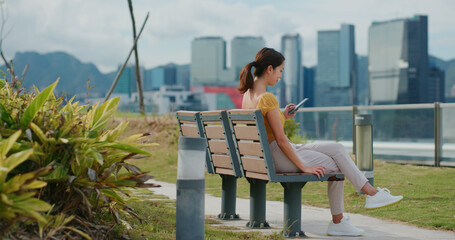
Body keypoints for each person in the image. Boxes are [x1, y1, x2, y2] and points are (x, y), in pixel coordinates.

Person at [238, 47, 403, 237]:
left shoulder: (248, 95)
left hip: (269, 154)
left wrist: (284, 116)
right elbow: (281, 140)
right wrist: (304, 167)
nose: (280, 76)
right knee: (338, 165)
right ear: (269, 69)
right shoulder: (267, 98)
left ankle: (370, 194)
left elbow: (269, 131)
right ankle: (344, 216)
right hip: (279, 154)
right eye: (280, 70)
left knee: (337, 148)